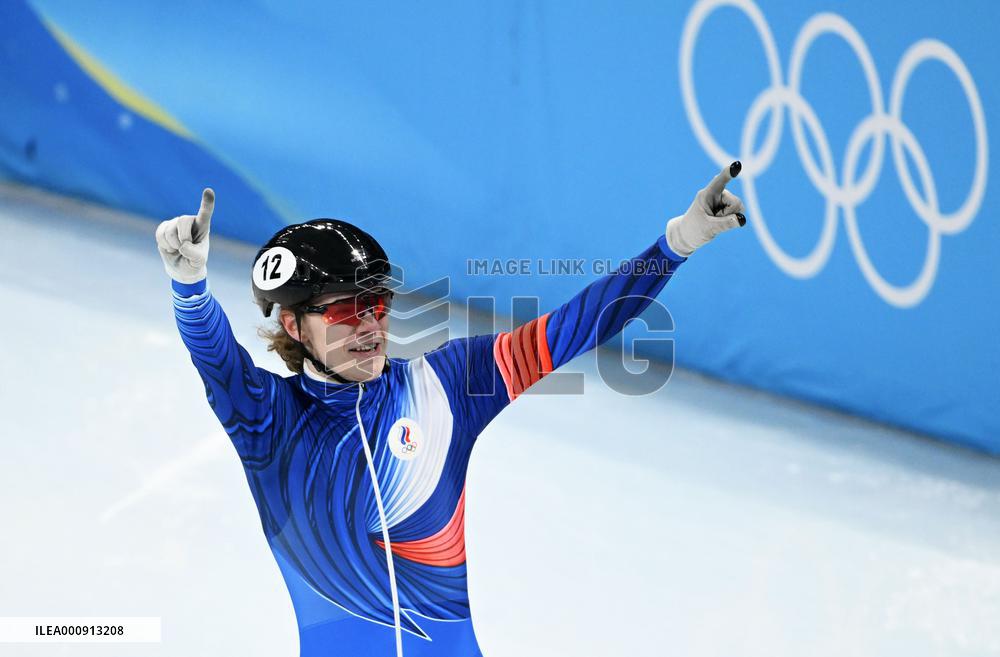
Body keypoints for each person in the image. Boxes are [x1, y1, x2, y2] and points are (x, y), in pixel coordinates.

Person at [155, 163, 746, 657]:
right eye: (342, 311)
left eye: (377, 305)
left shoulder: (448, 384)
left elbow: (574, 328)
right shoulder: (267, 420)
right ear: (292, 324)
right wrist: (190, 289)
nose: (368, 326)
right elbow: (215, 354)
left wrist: (676, 244)